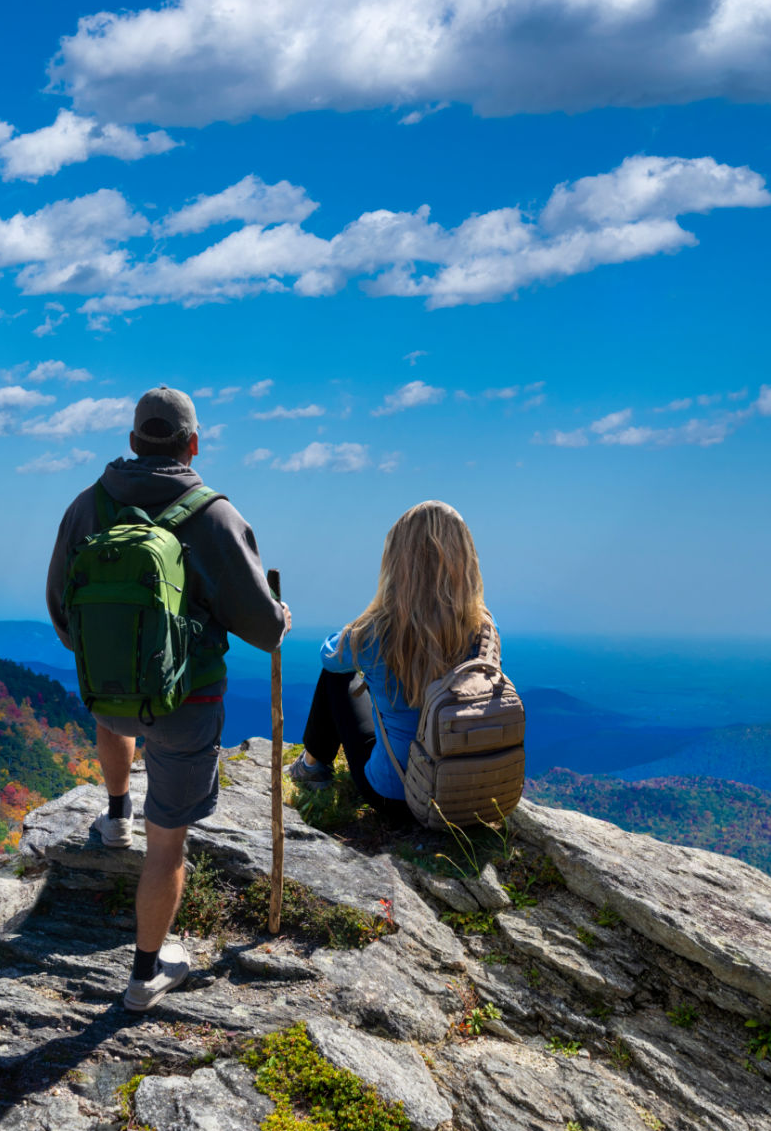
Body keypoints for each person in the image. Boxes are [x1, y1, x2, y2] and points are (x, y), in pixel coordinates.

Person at [46, 386, 290, 1012]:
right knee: (168, 846)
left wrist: (112, 655)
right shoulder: (215, 517)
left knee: (116, 709)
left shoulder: (87, 506)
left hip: (107, 697)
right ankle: (145, 974)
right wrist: (280, 618)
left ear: (133, 441)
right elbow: (263, 629)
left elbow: (61, 608)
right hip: (188, 705)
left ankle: (115, 816)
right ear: (193, 444)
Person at [289, 500, 496, 829]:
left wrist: (368, 617)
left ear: (398, 560)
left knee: (335, 678)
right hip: (468, 795)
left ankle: (312, 766)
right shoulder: (483, 627)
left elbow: (329, 656)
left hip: (397, 796)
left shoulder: (379, 629)